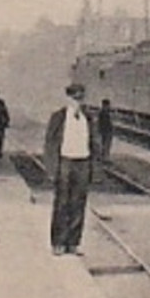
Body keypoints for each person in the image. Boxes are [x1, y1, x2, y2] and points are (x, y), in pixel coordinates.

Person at [43, 83, 100, 256]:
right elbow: (50, 144)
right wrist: (52, 169)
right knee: (62, 203)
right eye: (75, 98)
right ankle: (58, 242)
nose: (78, 102)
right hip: (65, 162)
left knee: (79, 203)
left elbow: (94, 144)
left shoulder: (89, 119)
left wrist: (95, 169)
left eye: (81, 98)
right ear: (67, 98)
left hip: (83, 162)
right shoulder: (58, 117)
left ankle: (73, 243)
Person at [97, 98, 116, 165]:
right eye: (108, 105)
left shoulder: (102, 112)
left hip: (104, 131)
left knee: (104, 145)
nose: (109, 107)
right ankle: (105, 159)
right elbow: (105, 123)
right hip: (105, 132)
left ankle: (103, 157)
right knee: (106, 145)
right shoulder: (103, 113)